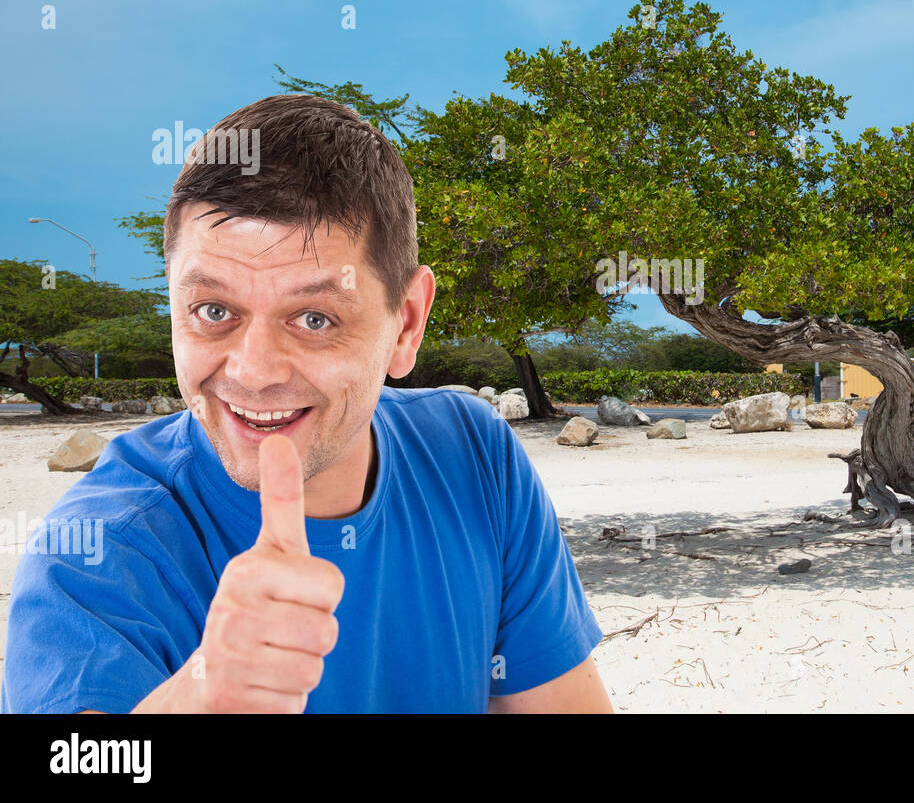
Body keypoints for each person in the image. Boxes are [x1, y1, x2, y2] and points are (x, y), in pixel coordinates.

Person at [1, 94, 612, 713]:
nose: (255, 372)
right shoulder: (97, 552)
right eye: (214, 311)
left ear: (405, 325)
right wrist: (202, 698)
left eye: (314, 318)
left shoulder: (474, 454)